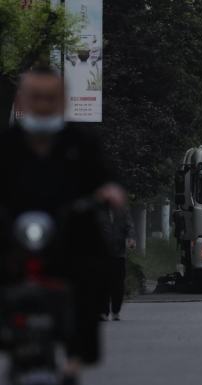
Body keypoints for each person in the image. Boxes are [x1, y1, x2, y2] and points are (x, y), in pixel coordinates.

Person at [0, 66, 126, 385]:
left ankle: (74, 358)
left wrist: (110, 192)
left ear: (62, 101)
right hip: (12, 234)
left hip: (69, 235)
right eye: (36, 97)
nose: (42, 103)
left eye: (50, 98)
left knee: (98, 268)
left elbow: (106, 178)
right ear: (22, 100)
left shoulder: (81, 141)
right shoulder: (7, 143)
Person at [101, 207, 136, 321]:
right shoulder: (98, 212)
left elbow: (129, 227)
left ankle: (116, 311)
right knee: (102, 283)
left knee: (118, 284)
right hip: (101, 254)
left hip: (119, 254)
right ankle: (103, 312)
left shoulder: (122, 211)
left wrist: (130, 239)